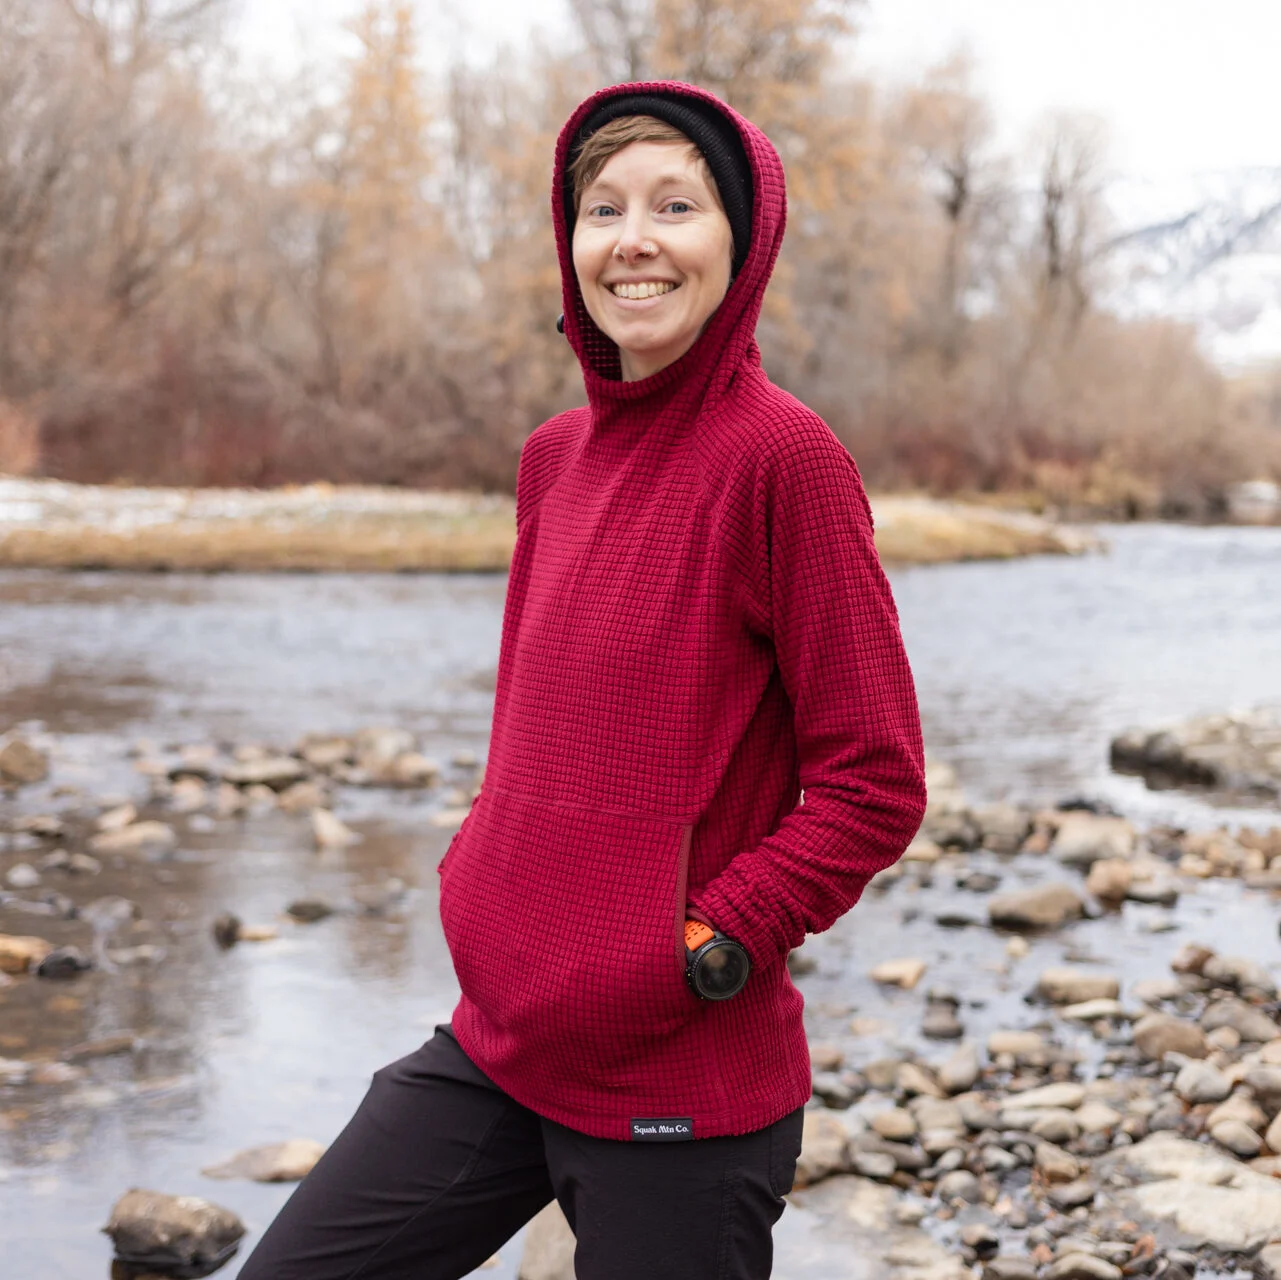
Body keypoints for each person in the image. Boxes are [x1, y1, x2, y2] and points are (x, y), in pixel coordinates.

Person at [237, 79, 926, 1280]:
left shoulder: (787, 462)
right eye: (600, 208)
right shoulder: (554, 458)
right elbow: (533, 725)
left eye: (675, 204)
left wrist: (712, 937)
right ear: (571, 248)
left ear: (744, 238)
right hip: (504, 1039)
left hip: (682, 1083)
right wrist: (481, 869)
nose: (634, 239)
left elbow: (876, 779)